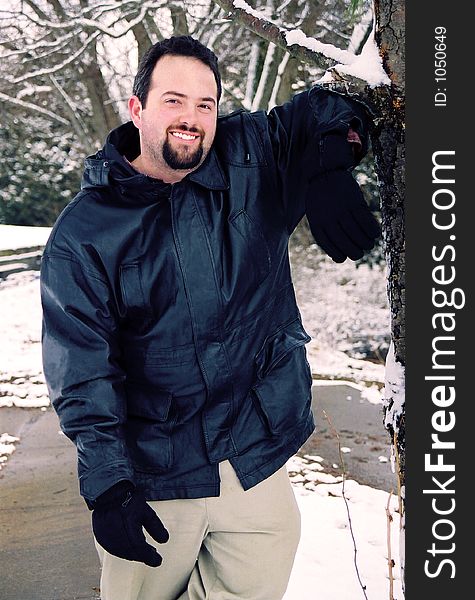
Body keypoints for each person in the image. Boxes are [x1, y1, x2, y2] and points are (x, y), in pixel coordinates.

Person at [40, 35, 380, 600]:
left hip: (253, 459)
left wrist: (328, 162)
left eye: (205, 104)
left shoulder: (251, 158)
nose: (191, 119)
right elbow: (81, 369)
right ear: (137, 108)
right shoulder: (85, 232)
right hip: (154, 476)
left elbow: (333, 105)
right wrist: (108, 487)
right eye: (173, 101)